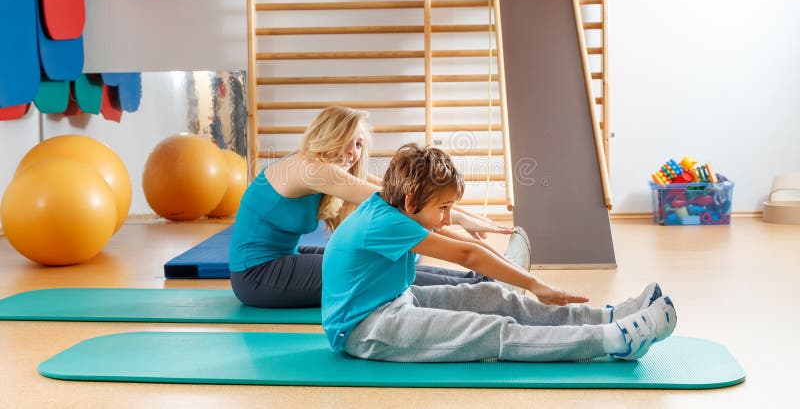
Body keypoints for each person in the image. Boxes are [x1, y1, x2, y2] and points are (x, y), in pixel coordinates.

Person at [322, 144, 677, 362]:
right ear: (412, 201)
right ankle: (613, 340)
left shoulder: (391, 206)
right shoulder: (384, 224)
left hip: (397, 299)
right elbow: (467, 256)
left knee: (491, 296)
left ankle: (606, 318)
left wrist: (522, 277)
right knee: (490, 330)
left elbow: (472, 248)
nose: (447, 218)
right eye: (443, 208)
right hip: (365, 328)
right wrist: (534, 284)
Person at [229, 106, 522, 308]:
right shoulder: (311, 169)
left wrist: (469, 216)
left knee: (387, 259)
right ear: (326, 136)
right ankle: (483, 285)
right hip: (257, 275)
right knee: (378, 271)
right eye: (345, 141)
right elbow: (401, 202)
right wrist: (461, 220)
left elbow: (399, 192)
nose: (352, 153)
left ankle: (481, 280)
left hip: (282, 258)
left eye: (358, 144)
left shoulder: (323, 168)